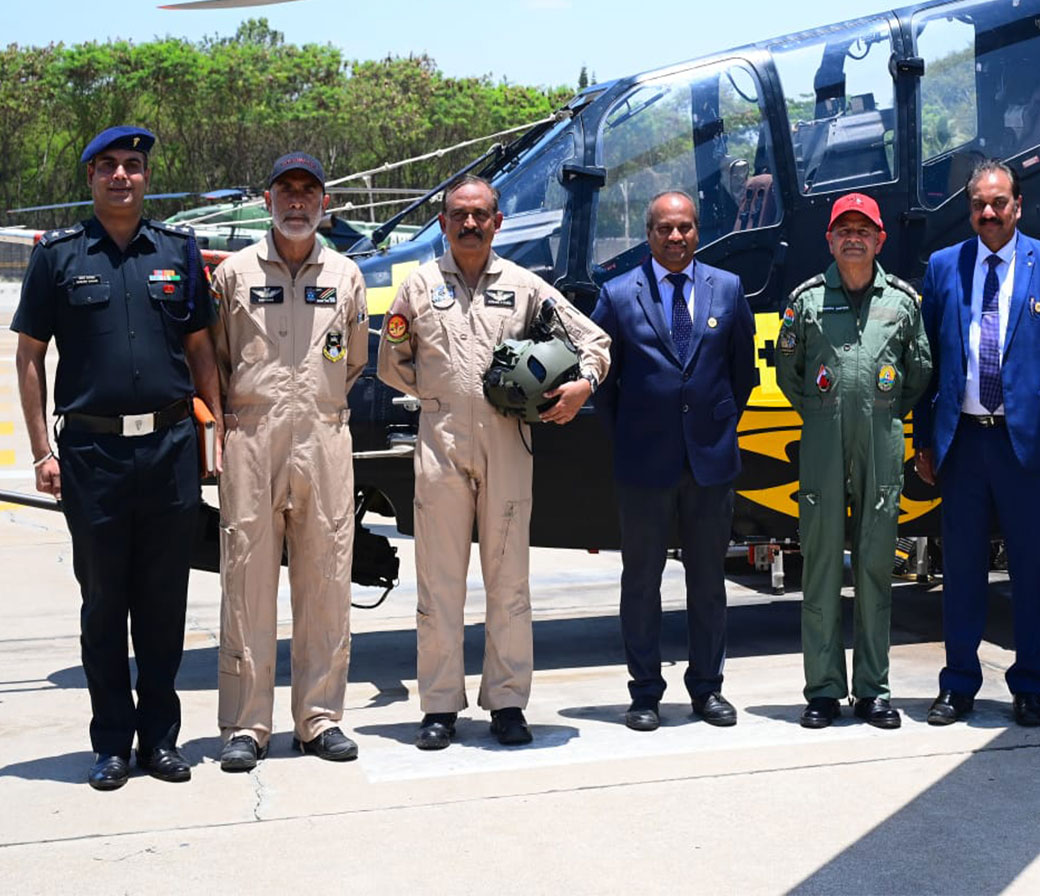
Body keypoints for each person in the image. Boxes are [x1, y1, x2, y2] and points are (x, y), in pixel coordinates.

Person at [12, 126, 221, 790]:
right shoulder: (58, 257)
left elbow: (200, 350)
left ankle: (160, 740)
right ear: (91, 178)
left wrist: (212, 435)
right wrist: (42, 450)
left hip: (169, 449)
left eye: (133, 166)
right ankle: (110, 743)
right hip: (92, 453)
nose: (123, 176)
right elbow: (29, 356)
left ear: (145, 178)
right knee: (104, 604)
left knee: (164, 602)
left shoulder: (180, 253)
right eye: (110, 167)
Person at [377, 175, 610, 750]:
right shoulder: (418, 287)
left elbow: (594, 341)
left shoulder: (528, 288)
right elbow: (391, 361)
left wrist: (581, 386)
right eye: (459, 214)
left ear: (498, 222)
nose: (470, 224)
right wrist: (439, 397)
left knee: (509, 582)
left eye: (481, 214)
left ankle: (507, 702)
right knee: (439, 583)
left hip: (508, 443)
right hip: (440, 445)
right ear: (442, 223)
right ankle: (438, 707)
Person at [914, 160, 1040, 728]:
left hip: (1027, 446)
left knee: (1034, 572)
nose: (987, 213)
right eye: (977, 205)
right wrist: (925, 440)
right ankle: (959, 683)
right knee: (960, 570)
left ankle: (1030, 686)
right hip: (963, 444)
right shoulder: (944, 267)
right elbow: (928, 364)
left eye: (998, 203)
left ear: (1018, 206)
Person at [208, 152, 367, 771]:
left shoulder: (347, 274)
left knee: (326, 575)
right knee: (246, 579)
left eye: (309, 191)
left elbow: (353, 358)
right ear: (268, 199)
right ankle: (247, 725)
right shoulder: (234, 275)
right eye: (286, 190)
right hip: (252, 433)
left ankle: (319, 717)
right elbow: (217, 359)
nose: (297, 201)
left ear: (323, 203)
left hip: (326, 434)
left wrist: (317, 408)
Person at [591, 190, 757, 732]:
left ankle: (708, 690)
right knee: (641, 582)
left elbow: (742, 375)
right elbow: (605, 387)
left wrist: (711, 430)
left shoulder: (728, 289)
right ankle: (644, 693)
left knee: (708, 583)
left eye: (684, 227)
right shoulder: (617, 296)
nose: (676, 237)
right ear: (649, 233)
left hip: (709, 465)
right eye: (664, 228)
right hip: (644, 468)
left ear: (697, 231)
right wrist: (635, 438)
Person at [774, 193, 930, 729]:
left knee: (875, 567)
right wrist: (825, 414)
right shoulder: (807, 301)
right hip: (821, 441)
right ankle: (821, 690)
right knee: (818, 567)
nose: (854, 237)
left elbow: (917, 374)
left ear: (881, 240)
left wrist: (880, 414)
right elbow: (788, 372)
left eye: (865, 229)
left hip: (882, 441)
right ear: (830, 240)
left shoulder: (903, 303)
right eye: (845, 229)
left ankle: (873, 691)